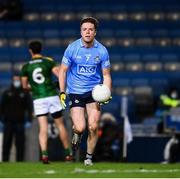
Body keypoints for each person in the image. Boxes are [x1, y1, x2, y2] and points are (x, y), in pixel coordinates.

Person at [58, 17, 112, 166]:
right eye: (84, 29)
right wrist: (62, 92)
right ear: (80, 31)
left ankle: (88, 158)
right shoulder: (72, 48)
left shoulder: (101, 51)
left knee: (93, 126)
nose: (87, 32)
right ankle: (77, 133)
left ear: (95, 32)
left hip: (94, 92)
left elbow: (106, 75)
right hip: (75, 91)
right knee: (80, 127)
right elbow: (62, 71)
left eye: (90, 29)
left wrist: (106, 92)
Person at [20, 41, 72, 164]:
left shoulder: (26, 66)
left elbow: (24, 86)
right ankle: (68, 154)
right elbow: (59, 74)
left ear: (30, 51)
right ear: (41, 49)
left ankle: (44, 155)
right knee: (60, 125)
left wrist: (33, 87)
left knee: (43, 127)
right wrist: (56, 84)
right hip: (52, 96)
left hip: (38, 98)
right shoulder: (48, 61)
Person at [0, 74, 33, 161]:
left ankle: (20, 162)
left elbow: (30, 108)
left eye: (18, 80)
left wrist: (29, 120)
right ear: (12, 81)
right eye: (15, 80)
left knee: (20, 144)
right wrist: (1, 120)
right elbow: (1, 107)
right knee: (6, 143)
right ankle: (5, 161)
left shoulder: (25, 94)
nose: (16, 82)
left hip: (20, 123)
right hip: (8, 122)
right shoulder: (6, 93)